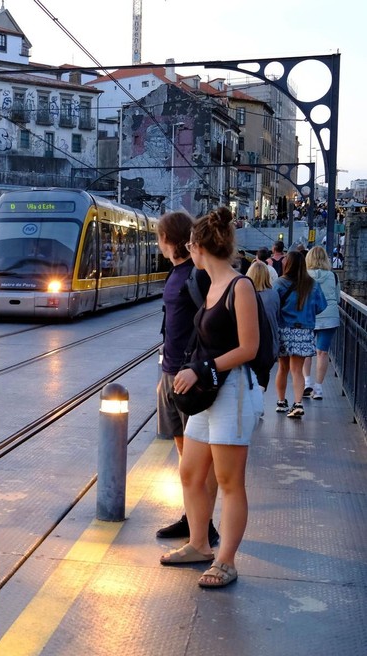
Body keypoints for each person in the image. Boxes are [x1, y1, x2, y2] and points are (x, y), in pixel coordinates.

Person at [161, 207, 262, 589]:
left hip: (232, 391)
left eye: (191, 246)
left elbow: (249, 348)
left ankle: (226, 561)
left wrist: (200, 370)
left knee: (229, 479)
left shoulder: (240, 287)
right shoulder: (211, 285)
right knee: (190, 473)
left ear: (200, 247)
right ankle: (199, 544)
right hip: (210, 393)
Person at [154, 211, 219, 548]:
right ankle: (191, 515)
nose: (157, 242)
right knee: (183, 454)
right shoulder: (177, 273)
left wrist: (198, 369)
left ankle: (205, 525)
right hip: (171, 372)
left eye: (160, 236)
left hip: (189, 374)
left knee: (200, 460)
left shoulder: (198, 275)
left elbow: (212, 325)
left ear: (171, 239)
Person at [272, 251, 326, 418]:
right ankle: (298, 404)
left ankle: (281, 402)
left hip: (283, 329)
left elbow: (273, 305)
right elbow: (321, 306)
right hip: (303, 330)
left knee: (283, 368)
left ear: (287, 264)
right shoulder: (313, 284)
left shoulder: (280, 283)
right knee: (297, 370)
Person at [301, 246, 340, 401]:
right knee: (322, 352)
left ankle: (306, 383)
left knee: (306, 351)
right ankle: (318, 388)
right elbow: (337, 298)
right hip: (330, 316)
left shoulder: (304, 276)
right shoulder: (333, 276)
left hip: (309, 316)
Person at [246, 260, 281, 382]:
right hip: (269, 344)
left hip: (248, 343)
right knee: (262, 377)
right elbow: (277, 317)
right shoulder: (273, 294)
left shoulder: (244, 294)